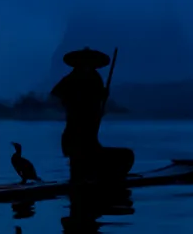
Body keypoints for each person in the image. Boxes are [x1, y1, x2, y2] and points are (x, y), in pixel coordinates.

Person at [50, 47, 135, 183]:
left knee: (126, 156)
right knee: (81, 165)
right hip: (75, 138)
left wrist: (101, 97)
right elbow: (54, 96)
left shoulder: (95, 78)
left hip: (90, 138)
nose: (86, 66)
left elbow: (96, 102)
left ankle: (97, 178)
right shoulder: (71, 79)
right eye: (84, 62)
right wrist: (72, 103)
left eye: (89, 63)